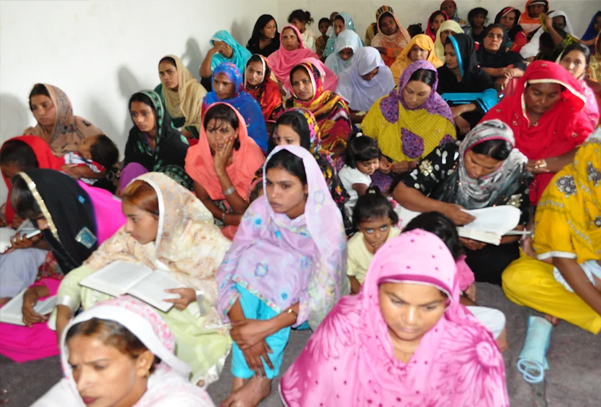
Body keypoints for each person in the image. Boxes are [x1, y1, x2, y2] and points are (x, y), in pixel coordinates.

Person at [280, 229, 509, 406]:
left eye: (429, 307)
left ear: (448, 302)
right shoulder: (344, 326)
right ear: (374, 289)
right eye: (397, 302)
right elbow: (314, 392)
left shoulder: (472, 348)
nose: (410, 320)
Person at [53, 173, 233, 386]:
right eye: (127, 218)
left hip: (192, 315)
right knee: (97, 288)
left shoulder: (207, 241)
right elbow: (88, 268)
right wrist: (64, 309)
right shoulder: (128, 238)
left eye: (135, 219)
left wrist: (196, 294)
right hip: (148, 305)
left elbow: (234, 287)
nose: (128, 227)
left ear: (164, 216)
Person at [217, 146, 348, 407]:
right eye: (270, 183)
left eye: (285, 186)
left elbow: (322, 293)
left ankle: (261, 379)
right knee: (249, 260)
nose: (273, 194)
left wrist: (265, 327)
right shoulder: (261, 208)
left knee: (287, 267)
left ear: (307, 187)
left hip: (299, 303)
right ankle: (240, 380)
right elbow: (229, 264)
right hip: (259, 286)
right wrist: (246, 334)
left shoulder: (325, 221)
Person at [391, 120, 532, 285]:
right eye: (473, 161)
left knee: (502, 263)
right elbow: (402, 192)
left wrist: (485, 240)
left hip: (481, 242)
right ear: (468, 146)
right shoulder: (449, 154)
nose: (477, 172)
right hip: (440, 228)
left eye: (489, 168)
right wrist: (444, 209)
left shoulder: (514, 171)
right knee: (417, 244)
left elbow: (517, 228)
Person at [31, 296, 217, 407]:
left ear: (143, 362)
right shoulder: (76, 387)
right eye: (75, 367)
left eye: (100, 366)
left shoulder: (181, 402)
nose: (80, 384)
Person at [502, 129, 601, 334]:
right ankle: (590, 313)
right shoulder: (566, 187)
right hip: (578, 265)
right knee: (516, 279)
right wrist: (546, 257)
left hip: (586, 267)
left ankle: (572, 305)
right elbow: (564, 261)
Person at [482, 60, 594, 205]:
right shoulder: (508, 109)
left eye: (552, 95)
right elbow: (480, 139)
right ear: (525, 88)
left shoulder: (569, 111)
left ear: (561, 93)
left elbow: (590, 149)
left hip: (552, 187)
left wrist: (544, 165)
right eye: (537, 93)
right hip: (505, 180)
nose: (543, 101)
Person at [403, 212, 508, 349]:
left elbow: (457, 298)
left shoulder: (450, 264)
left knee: (496, 318)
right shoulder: (398, 264)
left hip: (442, 314)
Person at [10, 169, 126, 275]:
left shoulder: (118, 222)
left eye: (43, 218)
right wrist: (36, 243)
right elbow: (69, 249)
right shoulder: (65, 206)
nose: (41, 226)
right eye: (35, 220)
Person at [362, 61, 456, 191]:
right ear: (402, 84)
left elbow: (446, 160)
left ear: (432, 90)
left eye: (421, 94)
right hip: (380, 170)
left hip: (423, 176)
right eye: (409, 91)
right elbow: (364, 139)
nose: (413, 99)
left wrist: (413, 165)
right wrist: (377, 157)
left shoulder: (440, 115)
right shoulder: (387, 105)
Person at [186, 103, 265, 240]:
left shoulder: (250, 153)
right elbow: (203, 198)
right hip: (214, 209)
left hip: (245, 210)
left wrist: (220, 171)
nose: (217, 137)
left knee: (250, 228)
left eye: (224, 131)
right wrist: (225, 217)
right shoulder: (197, 155)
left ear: (236, 132)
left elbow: (242, 209)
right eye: (211, 130)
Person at [0, 137, 64, 301]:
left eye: (15, 177)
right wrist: (18, 224)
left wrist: (34, 243)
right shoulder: (19, 192)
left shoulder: (60, 193)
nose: (11, 183)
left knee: (17, 258)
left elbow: (67, 245)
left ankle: (4, 302)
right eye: (6, 176)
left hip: (53, 256)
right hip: (25, 246)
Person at [268, 108, 351, 233]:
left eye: (289, 141)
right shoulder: (275, 161)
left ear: (307, 139)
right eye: (278, 139)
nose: (281, 146)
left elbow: (312, 213)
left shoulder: (321, 166)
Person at [120, 91, 192, 192]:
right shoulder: (136, 135)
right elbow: (129, 163)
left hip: (170, 192)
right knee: (132, 168)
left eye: (144, 113)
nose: (139, 120)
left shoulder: (175, 141)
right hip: (141, 189)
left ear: (158, 112)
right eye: (134, 114)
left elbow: (181, 177)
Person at [437, 34, 498, 137]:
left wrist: (462, 108)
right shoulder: (440, 74)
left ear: (464, 53)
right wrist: (455, 116)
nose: (447, 58)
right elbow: (434, 100)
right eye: (446, 54)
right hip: (444, 123)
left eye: (452, 54)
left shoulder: (479, 75)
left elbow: (491, 97)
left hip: (476, 129)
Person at [287, 60, 351, 155]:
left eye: (305, 81)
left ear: (315, 81)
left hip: (331, 157)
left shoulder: (334, 104)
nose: (300, 87)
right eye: (295, 83)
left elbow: (342, 143)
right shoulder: (290, 105)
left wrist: (321, 159)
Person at [202, 62, 269, 153]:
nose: (219, 88)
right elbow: (204, 133)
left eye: (225, 84)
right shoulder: (208, 101)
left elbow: (256, 138)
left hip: (243, 151)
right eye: (216, 82)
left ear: (236, 84)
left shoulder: (248, 105)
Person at [347, 187, 401, 293]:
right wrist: (364, 298)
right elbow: (351, 277)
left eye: (383, 227)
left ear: (391, 222)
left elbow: (404, 267)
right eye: (370, 230)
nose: (377, 236)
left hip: (394, 283)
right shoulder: (353, 247)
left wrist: (386, 254)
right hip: (365, 287)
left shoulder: (398, 238)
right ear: (359, 227)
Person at [24, 84, 102, 157]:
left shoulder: (83, 128)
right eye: (34, 108)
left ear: (60, 105)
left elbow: (106, 159)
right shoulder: (31, 136)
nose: (40, 113)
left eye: (45, 105)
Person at [267, 25, 336, 92]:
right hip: (277, 92)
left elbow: (317, 76)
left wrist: (288, 86)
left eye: (292, 37)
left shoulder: (308, 55)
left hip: (304, 92)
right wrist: (277, 85)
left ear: (298, 40)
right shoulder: (273, 57)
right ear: (281, 40)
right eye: (285, 37)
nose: (288, 40)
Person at [336, 47, 396, 120]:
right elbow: (339, 109)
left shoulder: (384, 74)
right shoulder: (346, 76)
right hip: (353, 118)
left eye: (374, 73)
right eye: (366, 74)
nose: (370, 78)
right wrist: (361, 118)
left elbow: (392, 102)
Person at [155, 55, 206, 140]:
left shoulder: (196, 91)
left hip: (194, 139)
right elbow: (156, 120)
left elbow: (203, 122)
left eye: (170, 72)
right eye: (162, 73)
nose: (165, 77)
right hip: (168, 138)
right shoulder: (160, 91)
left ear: (180, 71)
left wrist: (178, 139)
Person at [558, 43, 600, 127]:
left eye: (577, 62)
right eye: (566, 60)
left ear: (585, 69)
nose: (570, 66)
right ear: (560, 61)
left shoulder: (584, 100)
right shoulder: (548, 81)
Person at [339, 133, 380, 216]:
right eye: (366, 164)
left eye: (375, 162)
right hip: (347, 209)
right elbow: (367, 201)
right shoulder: (359, 182)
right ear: (354, 161)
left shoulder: (352, 167)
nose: (372, 167)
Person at [477, 24, 527, 92]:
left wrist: (507, 75)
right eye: (491, 35)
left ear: (504, 40)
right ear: (484, 38)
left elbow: (526, 68)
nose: (494, 39)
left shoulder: (510, 55)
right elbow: (471, 69)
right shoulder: (475, 55)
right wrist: (498, 72)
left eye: (499, 36)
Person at [244, 54, 284, 126]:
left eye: (259, 73)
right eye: (250, 70)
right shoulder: (238, 86)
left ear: (265, 74)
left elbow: (277, 121)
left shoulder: (272, 91)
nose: (253, 76)